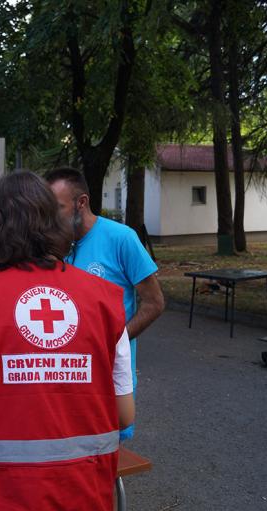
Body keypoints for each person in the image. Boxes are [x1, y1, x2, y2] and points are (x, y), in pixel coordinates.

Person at [0, 170, 134, 511]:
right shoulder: (105, 300)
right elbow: (123, 415)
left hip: (4, 503)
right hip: (82, 501)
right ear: (54, 223)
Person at [46, 166, 164, 440]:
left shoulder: (121, 238)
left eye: (58, 208)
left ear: (81, 203)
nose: (50, 218)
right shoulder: (56, 245)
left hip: (109, 378)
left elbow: (154, 303)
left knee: (108, 458)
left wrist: (115, 342)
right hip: (67, 377)